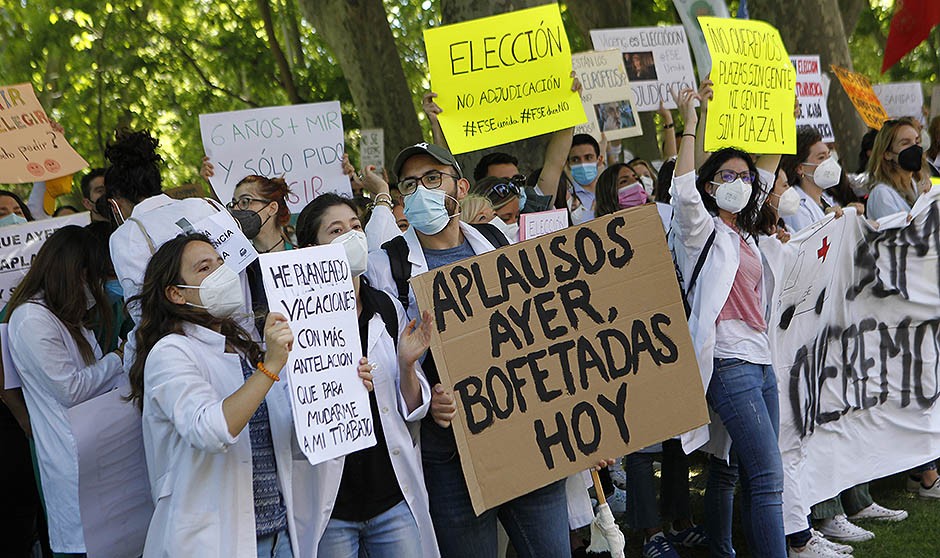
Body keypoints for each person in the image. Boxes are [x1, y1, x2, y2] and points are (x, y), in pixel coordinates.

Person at [366, 142, 611, 558]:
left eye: (432, 178)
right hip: (450, 454)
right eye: (410, 184)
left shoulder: (501, 241)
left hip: (528, 434)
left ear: (460, 188)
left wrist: (581, 416)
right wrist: (427, 395)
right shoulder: (386, 265)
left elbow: (551, 335)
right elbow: (389, 358)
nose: (421, 191)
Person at [129, 233, 312, 557]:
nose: (221, 273)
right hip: (214, 543)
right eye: (204, 268)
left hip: (278, 534)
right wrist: (270, 367)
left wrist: (334, 390)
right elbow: (211, 430)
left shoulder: (241, 350)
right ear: (176, 293)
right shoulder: (170, 352)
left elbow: (287, 440)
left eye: (221, 262)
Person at [671, 88, 786, 557]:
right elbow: (680, 187)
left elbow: (770, 168)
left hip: (761, 364)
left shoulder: (748, 234)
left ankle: (721, 547)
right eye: (726, 174)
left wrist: (781, 112)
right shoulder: (699, 231)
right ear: (710, 185)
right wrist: (690, 120)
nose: (738, 180)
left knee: (733, 467)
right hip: (728, 362)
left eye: (744, 174)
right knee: (768, 477)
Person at [291, 193, 438, 557]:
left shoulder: (384, 307)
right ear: (311, 248)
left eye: (356, 226)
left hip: (391, 499)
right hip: (332, 509)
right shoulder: (292, 322)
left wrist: (406, 365)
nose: (353, 236)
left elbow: (412, 407)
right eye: (336, 230)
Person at [7, 225, 124, 556]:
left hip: (97, 449)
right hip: (71, 461)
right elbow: (70, 389)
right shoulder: (32, 318)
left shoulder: (67, 315)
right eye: (95, 278)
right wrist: (117, 358)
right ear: (76, 272)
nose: (99, 287)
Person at [105, 128, 253, 372]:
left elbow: (144, 313)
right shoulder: (207, 205)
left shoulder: (127, 236)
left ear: (115, 204)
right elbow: (241, 275)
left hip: (186, 363)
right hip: (244, 344)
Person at [778, 127, 844, 232]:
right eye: (821, 158)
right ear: (800, 168)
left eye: (829, 156)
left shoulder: (826, 199)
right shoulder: (795, 207)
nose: (829, 163)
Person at [865, 117, 930, 221]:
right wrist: (923, 202)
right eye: (905, 143)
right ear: (887, 154)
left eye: (917, 142)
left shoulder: (915, 184)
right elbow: (906, 234)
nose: (914, 148)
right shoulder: (882, 194)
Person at [566, 134, 605, 225]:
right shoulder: (568, 199)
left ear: (599, 160)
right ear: (568, 164)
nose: (583, 164)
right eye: (576, 160)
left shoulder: (611, 190)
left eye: (588, 157)